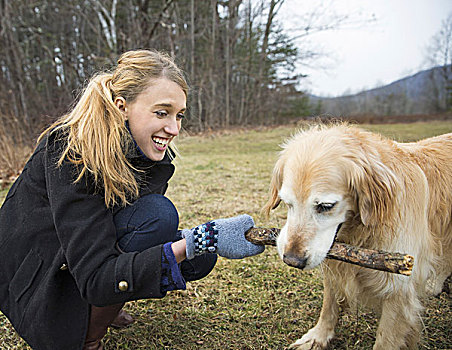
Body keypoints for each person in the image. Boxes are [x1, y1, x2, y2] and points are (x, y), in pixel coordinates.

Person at [0, 49, 264, 350]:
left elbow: (121, 234)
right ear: (122, 106)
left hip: (77, 252)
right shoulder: (71, 151)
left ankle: (100, 306)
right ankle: (89, 338)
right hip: (32, 280)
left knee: (200, 259)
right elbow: (98, 271)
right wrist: (196, 241)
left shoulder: (141, 152)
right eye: (161, 113)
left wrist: (197, 245)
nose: (174, 129)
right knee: (160, 218)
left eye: (179, 115)